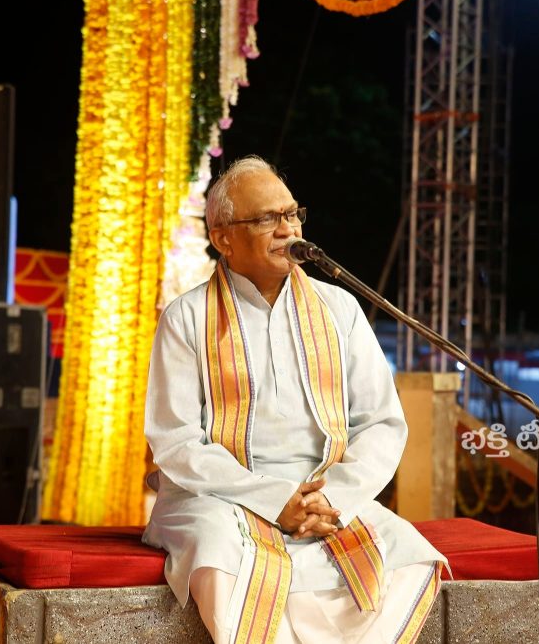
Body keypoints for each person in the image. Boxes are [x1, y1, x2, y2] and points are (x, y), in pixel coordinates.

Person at [142, 156, 446, 644]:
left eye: (292, 214)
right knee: (219, 553)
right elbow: (175, 441)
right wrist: (272, 499)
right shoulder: (187, 317)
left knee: (406, 553)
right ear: (223, 238)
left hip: (323, 496)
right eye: (267, 219)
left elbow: (382, 424)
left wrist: (333, 498)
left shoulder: (339, 307)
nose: (287, 229)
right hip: (218, 497)